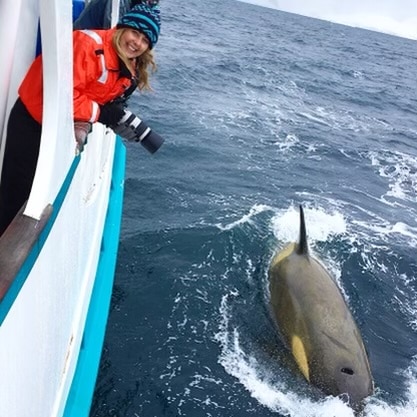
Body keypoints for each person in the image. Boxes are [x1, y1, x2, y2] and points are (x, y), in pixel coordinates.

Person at [0, 3, 163, 236]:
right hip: (32, 120)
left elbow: (93, 92)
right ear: (122, 28)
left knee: (33, 193)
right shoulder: (88, 45)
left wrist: (114, 115)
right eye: (135, 33)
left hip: (58, 129)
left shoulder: (128, 64)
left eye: (145, 40)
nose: (137, 43)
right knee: (14, 194)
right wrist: (101, 114)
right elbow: (61, 96)